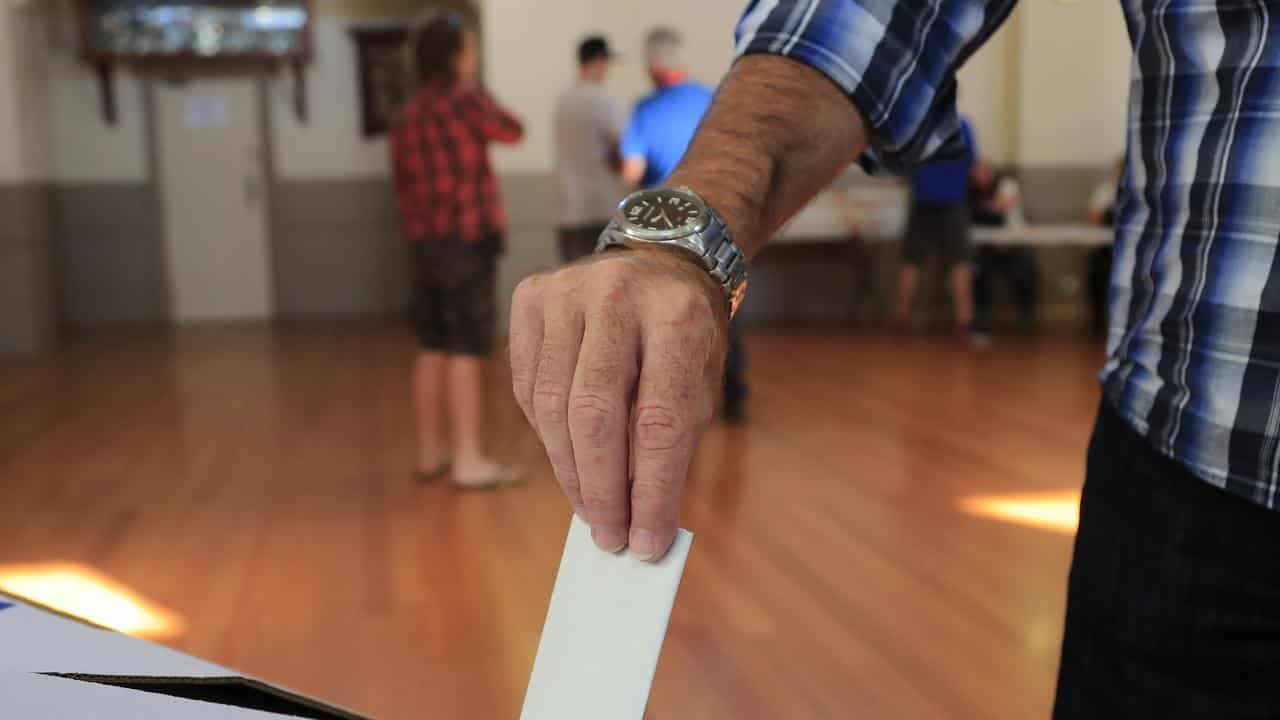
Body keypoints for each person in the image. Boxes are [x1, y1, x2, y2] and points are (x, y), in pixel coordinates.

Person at [510, 0, 1280, 713]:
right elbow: (862, 16)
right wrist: (684, 246)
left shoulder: (638, 108)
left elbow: (638, 169)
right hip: (1187, 477)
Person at [389, 10, 524, 490]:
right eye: (470, 50)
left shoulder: (406, 113)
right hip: (466, 242)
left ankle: (431, 453)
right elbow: (513, 129)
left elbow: (402, 188)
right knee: (468, 347)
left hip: (424, 244)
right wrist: (476, 88)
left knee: (432, 345)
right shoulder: (466, 102)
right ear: (455, 57)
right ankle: (469, 458)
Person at [620, 27, 749, 421]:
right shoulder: (713, 100)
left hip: (666, 222)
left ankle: (674, 399)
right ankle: (734, 395)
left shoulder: (645, 108)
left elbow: (632, 172)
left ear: (654, 65)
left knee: (669, 310)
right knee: (724, 304)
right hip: (719, 218)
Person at [892, 116, 976, 334]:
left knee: (912, 260)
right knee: (960, 261)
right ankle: (963, 321)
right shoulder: (963, 127)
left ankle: (902, 317)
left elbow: (903, 164)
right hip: (954, 200)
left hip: (923, 198)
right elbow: (971, 165)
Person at [554, 35, 626, 263]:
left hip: (568, 212)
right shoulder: (604, 101)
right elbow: (621, 150)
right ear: (600, 61)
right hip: (600, 210)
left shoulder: (562, 101)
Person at [969, 161, 1038, 335]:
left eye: (985, 172)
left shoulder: (1007, 185)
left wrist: (991, 207)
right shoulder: (970, 192)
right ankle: (982, 318)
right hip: (988, 248)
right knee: (978, 271)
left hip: (1015, 246)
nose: (982, 177)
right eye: (978, 173)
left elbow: (1003, 206)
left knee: (1026, 269)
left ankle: (1025, 316)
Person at [1085, 157, 1122, 336]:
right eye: (1119, 169)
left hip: (1129, 250)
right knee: (1096, 272)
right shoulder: (1104, 191)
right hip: (1105, 249)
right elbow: (1093, 218)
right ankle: (1097, 321)